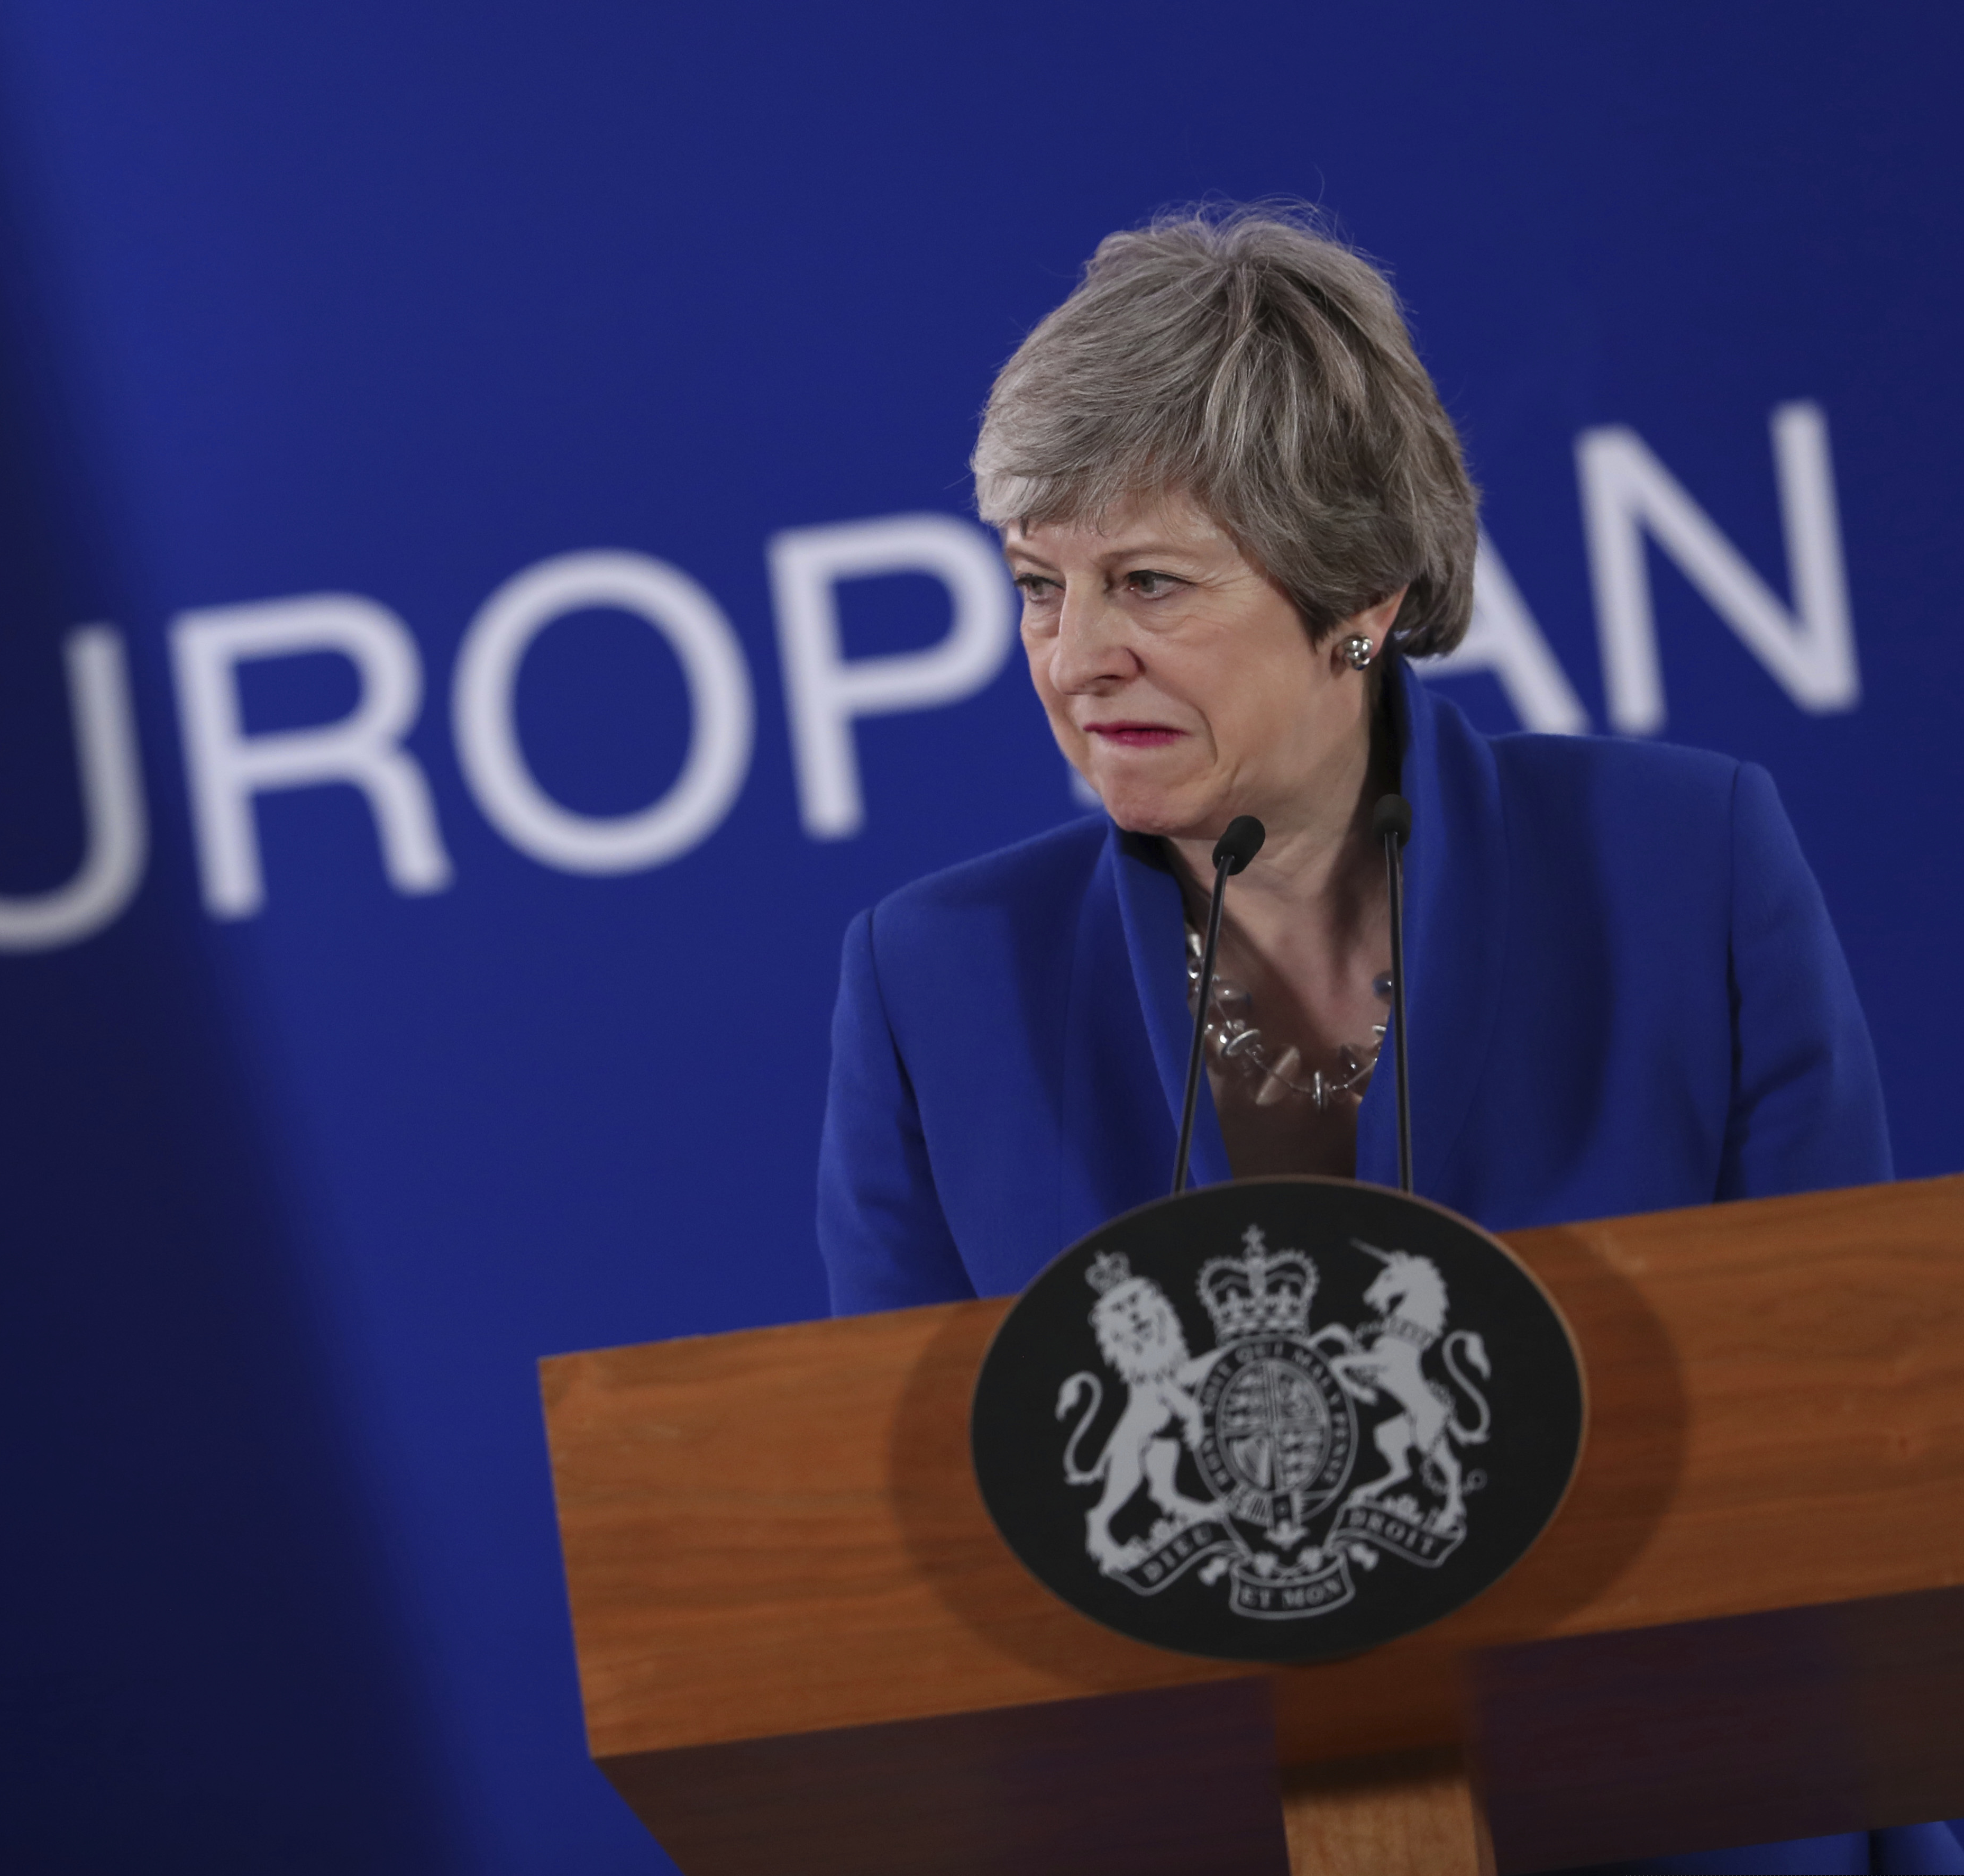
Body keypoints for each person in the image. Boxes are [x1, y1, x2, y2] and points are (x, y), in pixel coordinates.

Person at [815, 205, 1947, 1876]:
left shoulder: (1683, 864)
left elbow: (1853, 1441)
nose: (1070, 658)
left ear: (1358, 595)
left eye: (1147, 585)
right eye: (1035, 589)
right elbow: (930, 1576)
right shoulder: (934, 981)